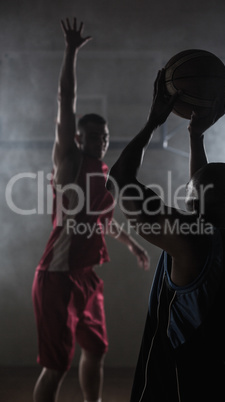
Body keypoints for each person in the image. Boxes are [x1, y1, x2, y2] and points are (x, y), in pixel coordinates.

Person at [106, 69, 225, 401]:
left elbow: (119, 179)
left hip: (178, 390)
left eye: (189, 195)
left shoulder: (193, 243)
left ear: (193, 203)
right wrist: (195, 136)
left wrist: (153, 122)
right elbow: (205, 199)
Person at [32, 18, 149, 402]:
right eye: (94, 137)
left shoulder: (103, 174)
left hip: (86, 278)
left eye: (106, 137)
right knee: (56, 366)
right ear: (80, 138)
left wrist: (131, 244)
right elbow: (66, 100)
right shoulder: (69, 160)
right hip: (57, 277)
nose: (101, 142)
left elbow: (105, 222)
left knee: (96, 349)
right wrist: (70, 52)